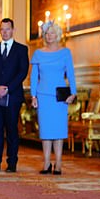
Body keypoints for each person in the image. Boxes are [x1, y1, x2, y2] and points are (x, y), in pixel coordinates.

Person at [30, 21, 77, 175]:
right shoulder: (38, 53)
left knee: (58, 130)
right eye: (47, 33)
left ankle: (58, 163)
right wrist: (33, 95)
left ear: (58, 35)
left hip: (60, 96)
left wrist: (73, 93)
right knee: (45, 131)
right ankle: (46, 163)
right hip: (43, 96)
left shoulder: (65, 53)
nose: (49, 36)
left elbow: (70, 74)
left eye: (52, 33)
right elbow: (34, 76)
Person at [0, 18, 29, 172]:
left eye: (7, 29)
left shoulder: (21, 49)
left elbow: (22, 72)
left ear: (13, 30)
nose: (5, 32)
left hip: (13, 96)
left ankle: (11, 163)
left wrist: (7, 88)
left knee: (11, 130)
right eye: (2, 29)